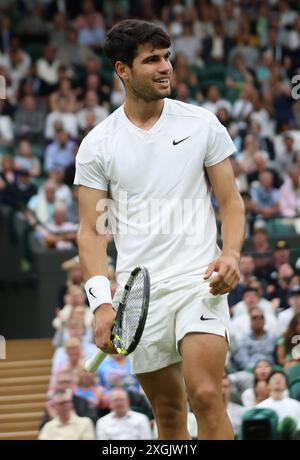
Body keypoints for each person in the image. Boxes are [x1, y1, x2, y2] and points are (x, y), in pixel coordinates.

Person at [75, 19, 245, 440]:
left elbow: (230, 201)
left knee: (205, 394)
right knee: (169, 418)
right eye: (151, 60)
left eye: (167, 57)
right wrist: (100, 304)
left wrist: (232, 255)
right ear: (123, 70)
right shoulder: (98, 144)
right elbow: (91, 232)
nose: (165, 67)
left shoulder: (202, 123)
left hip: (198, 283)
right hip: (140, 298)